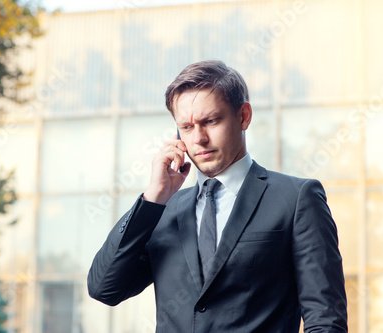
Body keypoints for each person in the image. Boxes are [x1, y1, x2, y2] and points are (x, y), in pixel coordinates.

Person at [88, 60, 348, 332]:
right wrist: (152, 198)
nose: (198, 138)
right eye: (186, 127)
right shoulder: (161, 210)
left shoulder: (296, 199)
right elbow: (104, 287)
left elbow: (325, 319)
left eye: (210, 121)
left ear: (244, 116)